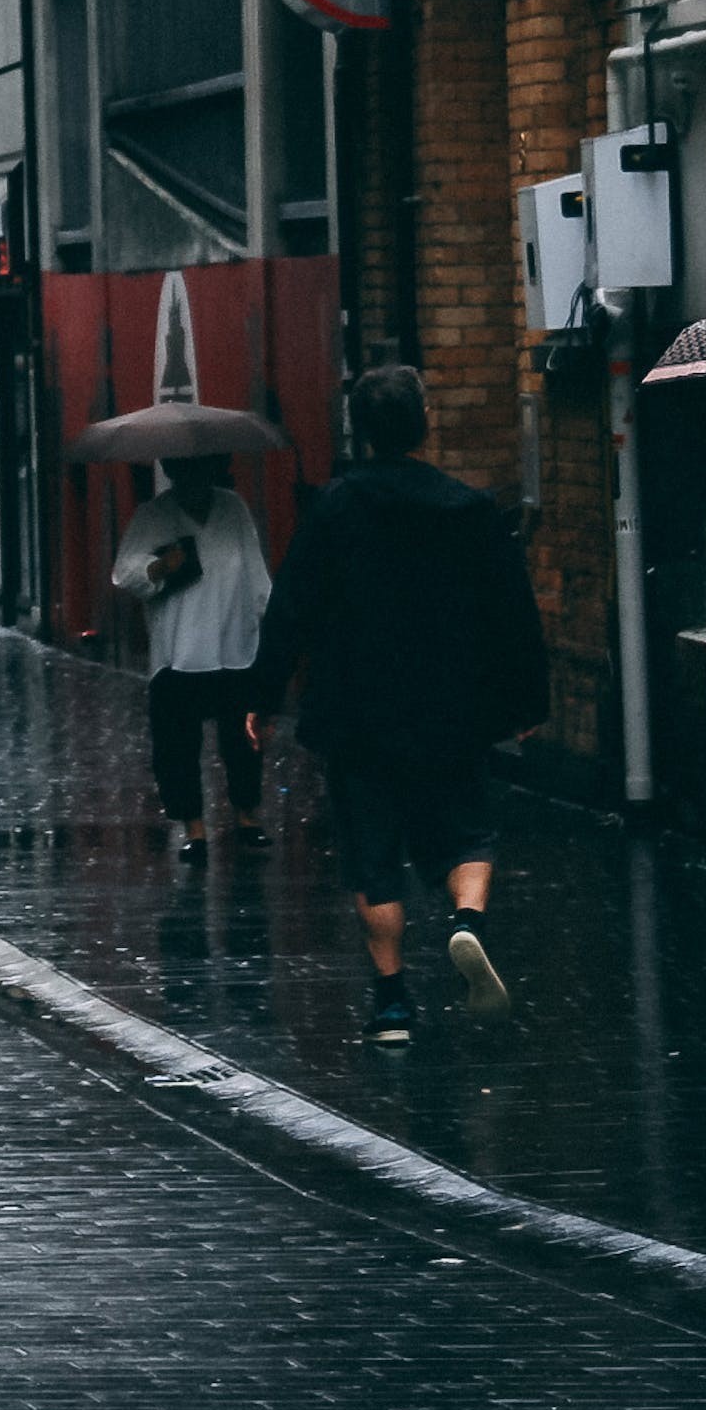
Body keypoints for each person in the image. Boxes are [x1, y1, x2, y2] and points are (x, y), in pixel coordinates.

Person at [253, 366, 547, 1048]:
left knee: (372, 855)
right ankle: (466, 922)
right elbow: (512, 613)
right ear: (423, 423)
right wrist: (527, 698)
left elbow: (290, 607)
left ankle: (390, 1004)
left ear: (360, 428)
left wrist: (261, 696)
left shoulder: (333, 508)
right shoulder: (469, 510)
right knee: (467, 833)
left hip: (358, 714)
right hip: (453, 706)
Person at [110, 452, 275, 861]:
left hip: (235, 646)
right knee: (177, 747)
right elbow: (124, 571)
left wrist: (271, 628)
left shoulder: (233, 509)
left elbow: (255, 574)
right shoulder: (153, 515)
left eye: (200, 468)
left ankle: (247, 817)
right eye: (182, 470)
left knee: (241, 740)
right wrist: (159, 567)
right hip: (177, 651)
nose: (192, 478)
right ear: (170, 472)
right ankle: (194, 829)